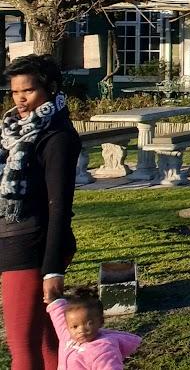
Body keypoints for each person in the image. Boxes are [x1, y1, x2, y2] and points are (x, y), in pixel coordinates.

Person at [0, 54, 81, 370]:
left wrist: (52, 270)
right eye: (14, 91)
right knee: (49, 340)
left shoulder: (56, 137)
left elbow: (59, 206)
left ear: (51, 88)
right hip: (13, 241)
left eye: (28, 91)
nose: (19, 99)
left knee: (23, 346)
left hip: (30, 244)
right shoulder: (13, 132)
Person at [46, 290, 141, 369]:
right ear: (68, 326)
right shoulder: (67, 336)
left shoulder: (103, 348)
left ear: (100, 321)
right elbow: (59, 317)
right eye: (75, 326)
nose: (81, 330)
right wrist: (54, 300)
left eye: (89, 323)